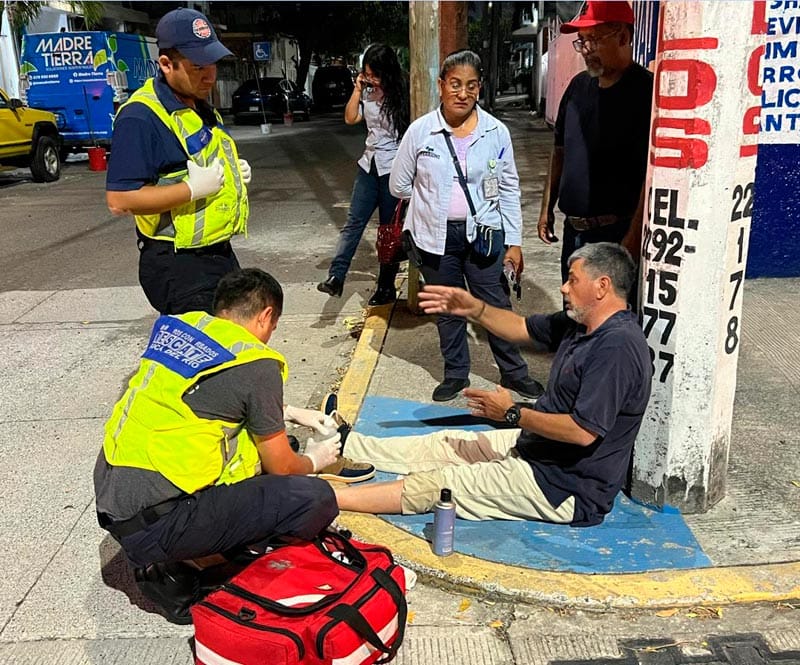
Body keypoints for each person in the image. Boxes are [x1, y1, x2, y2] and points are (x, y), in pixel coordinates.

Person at [94, 268, 373, 624]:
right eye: (273, 327)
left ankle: (182, 551)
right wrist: (315, 459)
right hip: (159, 526)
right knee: (312, 497)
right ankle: (189, 572)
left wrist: (288, 412)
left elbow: (205, 399)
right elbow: (283, 468)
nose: (270, 335)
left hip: (113, 498)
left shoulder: (184, 328)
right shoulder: (258, 363)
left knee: (273, 445)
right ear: (266, 315)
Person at [334, 243, 652, 527]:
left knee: (438, 485)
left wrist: (513, 414)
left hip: (561, 486)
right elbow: (520, 328)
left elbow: (583, 432)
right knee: (444, 444)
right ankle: (342, 446)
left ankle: (327, 497)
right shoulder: (579, 323)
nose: (564, 287)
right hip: (534, 448)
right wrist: (475, 309)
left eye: (573, 280)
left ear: (602, 286)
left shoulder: (617, 347)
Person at [389, 49, 544, 403]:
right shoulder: (420, 132)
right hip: (435, 237)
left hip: (484, 234)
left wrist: (514, 241)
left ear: (480, 87)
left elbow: (508, 188)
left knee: (495, 305)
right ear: (441, 85)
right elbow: (398, 185)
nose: (463, 93)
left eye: (471, 85)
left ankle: (514, 373)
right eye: (455, 84)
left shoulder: (496, 132)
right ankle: (455, 374)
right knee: (447, 307)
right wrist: (431, 200)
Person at [106, 8, 251, 315]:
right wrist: (190, 190)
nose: (210, 75)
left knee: (234, 337)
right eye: (197, 66)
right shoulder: (140, 117)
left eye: (212, 63)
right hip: (178, 263)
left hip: (217, 254)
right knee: (203, 344)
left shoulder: (198, 105)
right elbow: (119, 200)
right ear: (166, 64)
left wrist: (231, 173)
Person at [537, 0, 653, 285]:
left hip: (615, 235)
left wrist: (632, 240)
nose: (586, 48)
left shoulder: (646, 92)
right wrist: (546, 207)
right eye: (582, 40)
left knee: (609, 311)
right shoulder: (578, 87)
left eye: (594, 39)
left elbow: (650, 177)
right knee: (572, 307)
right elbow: (560, 151)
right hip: (573, 233)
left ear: (623, 37)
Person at [317, 44, 410, 306]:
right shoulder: (367, 92)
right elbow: (350, 118)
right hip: (369, 166)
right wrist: (358, 89)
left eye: (373, 75)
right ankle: (336, 276)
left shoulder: (403, 93)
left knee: (388, 231)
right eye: (366, 74)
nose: (370, 79)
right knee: (354, 222)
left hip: (393, 169)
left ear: (386, 72)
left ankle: (386, 286)